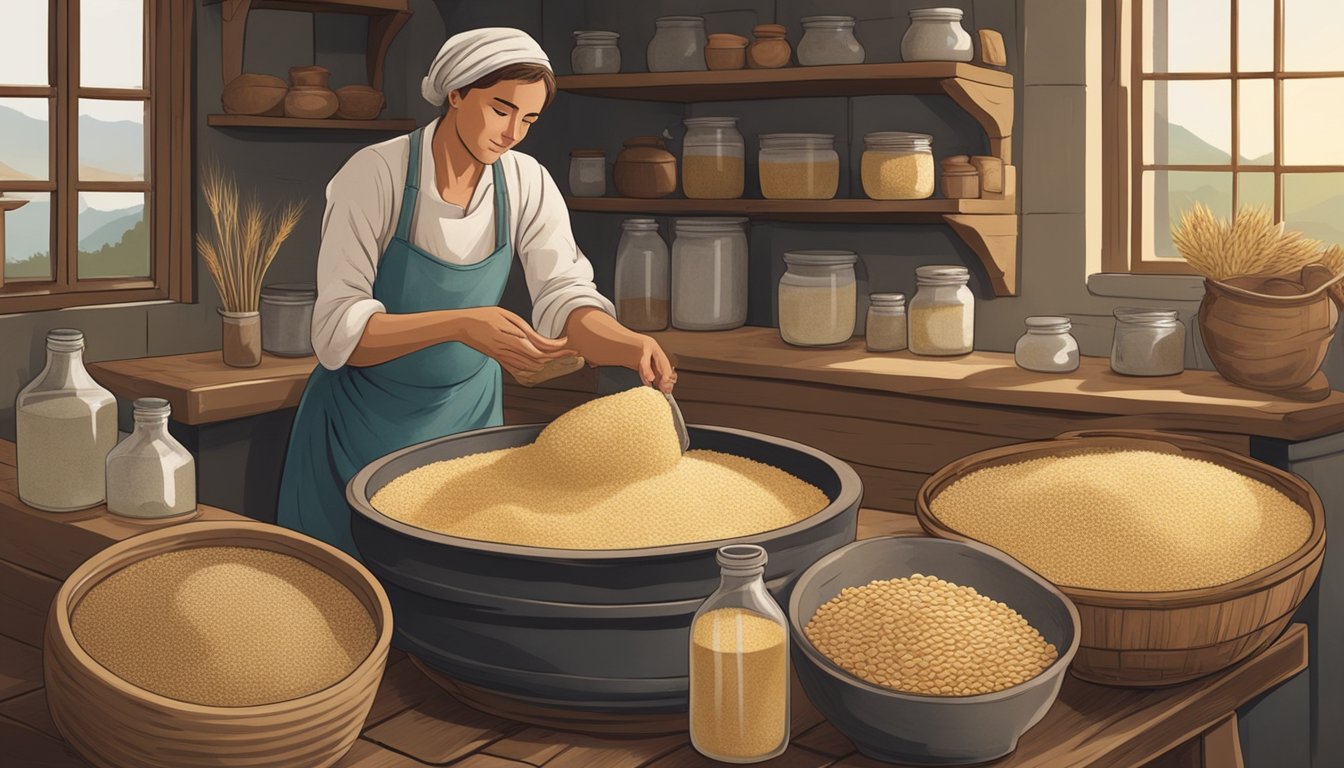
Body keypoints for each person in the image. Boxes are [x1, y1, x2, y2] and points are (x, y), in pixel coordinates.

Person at [278, 27, 676, 556]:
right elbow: (336, 333)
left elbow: (565, 292)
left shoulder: (526, 181)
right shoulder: (377, 175)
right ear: (457, 93)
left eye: (529, 119)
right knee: (354, 594)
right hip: (359, 427)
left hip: (468, 427)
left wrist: (623, 343)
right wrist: (463, 323)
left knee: (444, 584)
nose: (513, 132)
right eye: (501, 109)